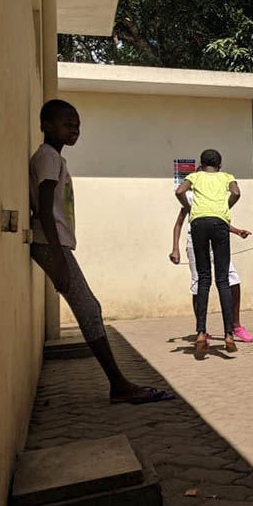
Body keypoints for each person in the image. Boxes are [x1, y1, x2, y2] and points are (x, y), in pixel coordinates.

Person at [30, 100, 174, 404]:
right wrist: (57, 256)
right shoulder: (47, 157)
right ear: (45, 125)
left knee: (90, 309)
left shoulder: (55, 158)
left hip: (56, 245)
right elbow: (44, 208)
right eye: (67, 123)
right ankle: (119, 385)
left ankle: (119, 383)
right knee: (90, 310)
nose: (74, 129)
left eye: (77, 125)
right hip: (50, 245)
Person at [174, 149, 240, 357]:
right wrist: (224, 207)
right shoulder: (226, 177)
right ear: (220, 165)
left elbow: (179, 191)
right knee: (223, 280)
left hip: (198, 223)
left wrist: (189, 206)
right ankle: (229, 334)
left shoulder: (194, 176)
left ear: (201, 164)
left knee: (203, 279)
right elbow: (236, 193)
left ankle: (201, 333)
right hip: (220, 223)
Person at [169, 191, 253, 343]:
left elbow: (220, 221)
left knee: (232, 277)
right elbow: (179, 224)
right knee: (198, 282)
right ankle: (202, 330)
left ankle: (236, 325)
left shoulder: (216, 194)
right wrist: (175, 248)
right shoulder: (190, 196)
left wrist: (236, 231)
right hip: (195, 241)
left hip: (217, 239)